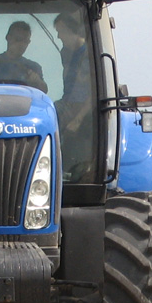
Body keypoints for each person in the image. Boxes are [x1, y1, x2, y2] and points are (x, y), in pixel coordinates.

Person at [53, 13, 95, 182]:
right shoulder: (67, 53)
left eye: (60, 31)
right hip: (69, 103)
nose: (58, 36)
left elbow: (94, 93)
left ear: (72, 31)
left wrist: (77, 119)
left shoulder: (88, 55)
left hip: (85, 110)